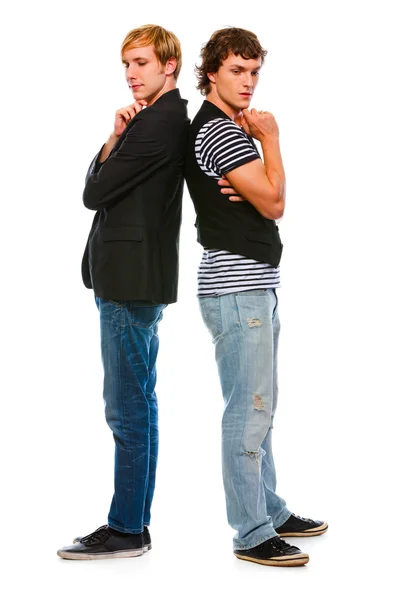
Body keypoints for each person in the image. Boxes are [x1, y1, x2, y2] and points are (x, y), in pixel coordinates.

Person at [185, 27, 327, 567]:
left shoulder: (225, 129)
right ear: (212, 72)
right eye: (236, 71)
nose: (247, 82)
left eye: (254, 71)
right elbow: (272, 203)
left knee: (260, 406)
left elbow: (262, 198)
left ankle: (270, 508)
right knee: (248, 410)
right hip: (236, 286)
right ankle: (251, 532)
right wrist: (270, 142)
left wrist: (258, 177)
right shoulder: (223, 133)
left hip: (252, 284)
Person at [57, 24, 190, 560]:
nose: (132, 74)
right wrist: (114, 136)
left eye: (141, 63)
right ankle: (134, 522)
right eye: (127, 65)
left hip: (131, 280)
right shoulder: (154, 119)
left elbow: (94, 193)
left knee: (127, 409)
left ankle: (125, 529)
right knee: (140, 403)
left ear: (169, 66)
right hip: (135, 277)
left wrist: (115, 142)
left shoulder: (159, 123)